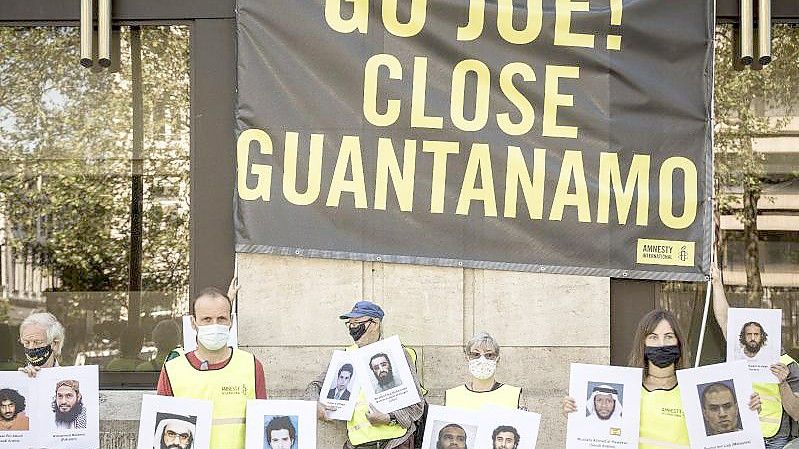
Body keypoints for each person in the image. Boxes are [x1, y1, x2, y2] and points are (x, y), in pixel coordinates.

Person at [563, 309, 761, 449]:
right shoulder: (627, 391)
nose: (661, 344)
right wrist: (577, 412)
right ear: (643, 343)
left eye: (668, 337)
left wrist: (748, 409)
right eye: (653, 337)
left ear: (679, 343)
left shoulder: (694, 390)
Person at [157, 286, 267, 449]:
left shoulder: (251, 365)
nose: (215, 325)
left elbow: (262, 425)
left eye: (221, 318)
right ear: (194, 323)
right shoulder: (173, 370)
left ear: (230, 321)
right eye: (207, 319)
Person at [306, 300, 425, 449]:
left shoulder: (396, 354)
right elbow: (314, 386)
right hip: (358, 443)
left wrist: (388, 418)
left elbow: (417, 406)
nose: (352, 328)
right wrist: (315, 403)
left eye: (357, 323)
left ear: (374, 323)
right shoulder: (346, 356)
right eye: (349, 324)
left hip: (396, 442)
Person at [712, 265, 799, 448]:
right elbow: (724, 320)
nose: (752, 338)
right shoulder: (738, 354)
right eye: (748, 334)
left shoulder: (789, 365)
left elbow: (797, 413)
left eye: (757, 334)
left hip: (776, 440)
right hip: (741, 436)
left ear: (768, 335)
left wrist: (782, 383)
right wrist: (717, 283)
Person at [444, 332, 521, 410]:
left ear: (497, 359)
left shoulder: (513, 394)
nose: (482, 360)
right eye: (476, 354)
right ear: (467, 358)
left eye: (489, 355)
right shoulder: (452, 396)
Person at [18, 312, 66, 377]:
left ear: (55, 344)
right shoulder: (18, 378)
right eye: (26, 342)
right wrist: (21, 379)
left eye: (38, 342)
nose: (31, 347)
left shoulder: (68, 378)